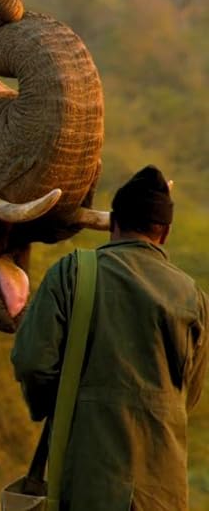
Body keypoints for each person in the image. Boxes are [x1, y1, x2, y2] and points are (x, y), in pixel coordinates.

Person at [11, 165, 208, 510]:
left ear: (113, 223)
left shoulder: (72, 272)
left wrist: (60, 404)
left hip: (86, 478)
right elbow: (187, 395)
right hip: (163, 488)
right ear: (164, 232)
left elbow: (32, 362)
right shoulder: (194, 297)